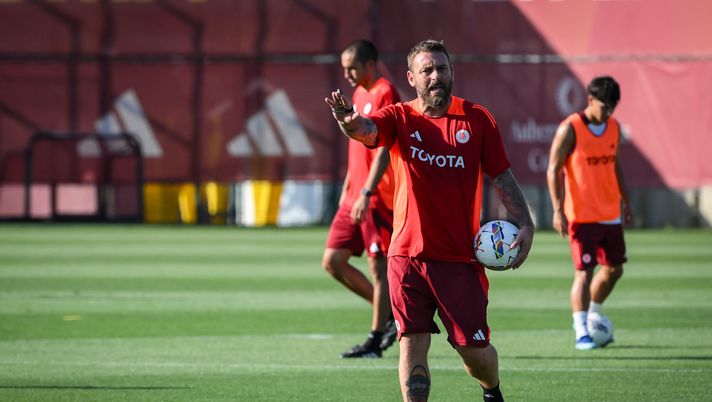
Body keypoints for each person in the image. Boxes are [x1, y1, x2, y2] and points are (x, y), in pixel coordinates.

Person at [325, 39, 534, 402]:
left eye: (442, 68)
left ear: (452, 71)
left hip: (458, 261)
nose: (436, 76)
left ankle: (492, 391)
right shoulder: (399, 117)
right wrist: (349, 123)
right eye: (427, 70)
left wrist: (525, 224)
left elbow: (501, 176)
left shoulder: (477, 119)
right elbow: (367, 131)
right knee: (412, 347)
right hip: (406, 258)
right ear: (412, 77)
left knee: (475, 355)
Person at [322, 39, 401, 358]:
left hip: (377, 197)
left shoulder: (385, 91)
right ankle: (390, 315)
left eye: (352, 67)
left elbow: (384, 145)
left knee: (378, 269)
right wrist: (349, 187)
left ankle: (374, 339)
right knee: (333, 261)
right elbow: (357, 144)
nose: (347, 73)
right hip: (353, 194)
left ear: (370, 64)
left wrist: (367, 191)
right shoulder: (356, 94)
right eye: (344, 68)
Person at [546, 76, 632, 350]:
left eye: (613, 107)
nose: (609, 112)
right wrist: (558, 209)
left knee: (615, 269)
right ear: (591, 100)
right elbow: (553, 169)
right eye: (605, 105)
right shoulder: (570, 128)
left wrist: (626, 201)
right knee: (584, 271)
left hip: (610, 213)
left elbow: (616, 164)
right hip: (581, 215)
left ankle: (592, 312)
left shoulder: (614, 127)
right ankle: (581, 328)